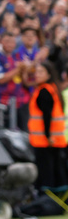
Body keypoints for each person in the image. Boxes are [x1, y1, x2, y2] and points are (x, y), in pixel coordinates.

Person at [27, 61, 67, 189]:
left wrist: (48, 136)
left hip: (44, 141)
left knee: (46, 173)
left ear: (48, 74)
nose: (37, 75)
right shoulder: (53, 89)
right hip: (55, 140)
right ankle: (58, 200)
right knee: (57, 171)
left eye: (40, 72)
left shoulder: (44, 91)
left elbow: (47, 116)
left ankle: (46, 198)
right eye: (36, 72)